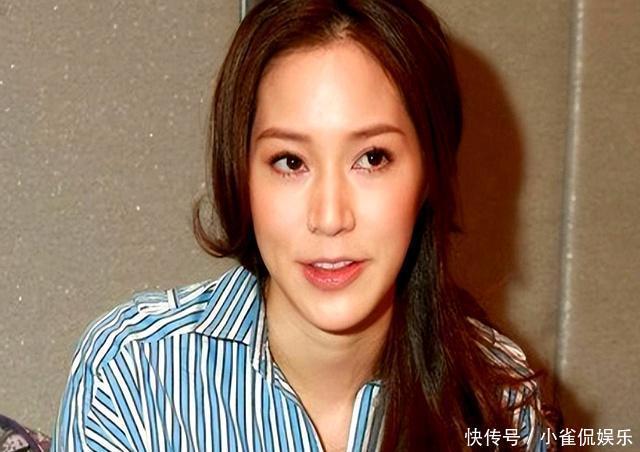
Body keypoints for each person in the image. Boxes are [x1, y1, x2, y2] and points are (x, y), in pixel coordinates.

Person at [52, 0, 557, 450]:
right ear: (241, 175)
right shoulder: (135, 376)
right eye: (291, 162)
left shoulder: (499, 397)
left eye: (372, 158)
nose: (330, 218)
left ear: (429, 173)